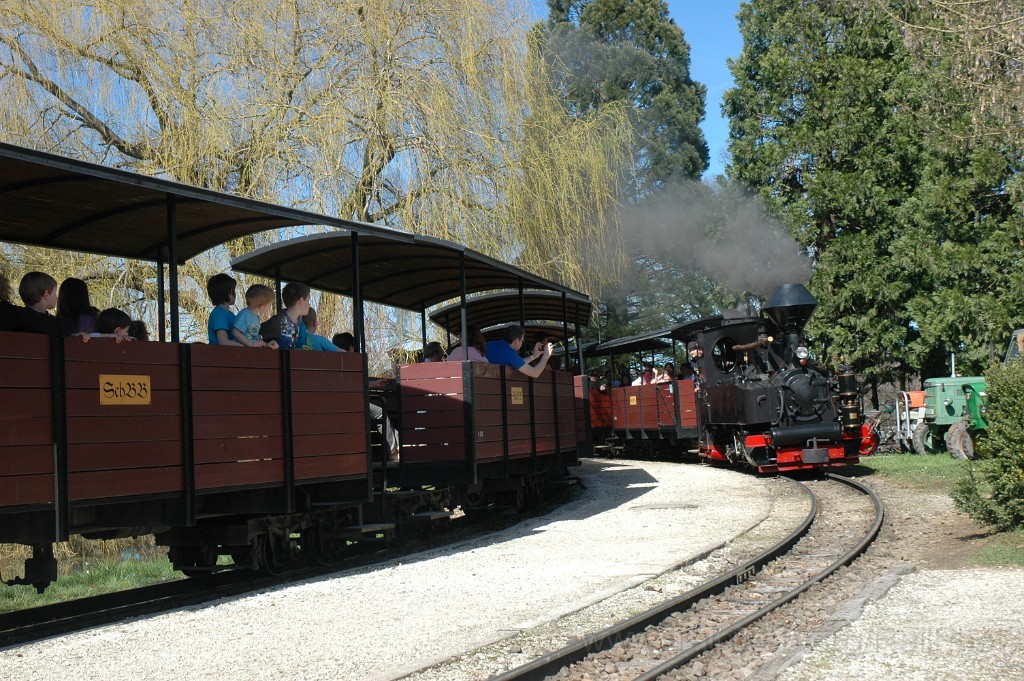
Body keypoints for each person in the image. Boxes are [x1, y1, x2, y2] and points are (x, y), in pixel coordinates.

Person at [485, 324, 552, 378]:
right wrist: (546, 355)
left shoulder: (489, 344)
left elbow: (518, 363)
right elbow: (535, 373)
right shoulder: (510, 354)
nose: (522, 343)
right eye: (522, 340)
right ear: (516, 341)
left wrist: (534, 356)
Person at [260, 282, 311, 350]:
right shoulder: (278, 321)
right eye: (308, 301)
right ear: (301, 301)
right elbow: (253, 333)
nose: (309, 304)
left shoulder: (299, 325)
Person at [232, 283, 275, 348]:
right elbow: (236, 332)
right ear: (262, 306)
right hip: (240, 351)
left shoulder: (256, 317)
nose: (270, 307)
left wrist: (266, 344)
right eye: (269, 304)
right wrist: (249, 344)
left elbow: (255, 336)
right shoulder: (245, 314)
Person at [206, 273, 240, 346]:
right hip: (219, 355)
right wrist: (246, 346)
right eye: (234, 290)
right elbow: (223, 341)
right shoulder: (220, 313)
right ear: (231, 292)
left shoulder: (228, 314)